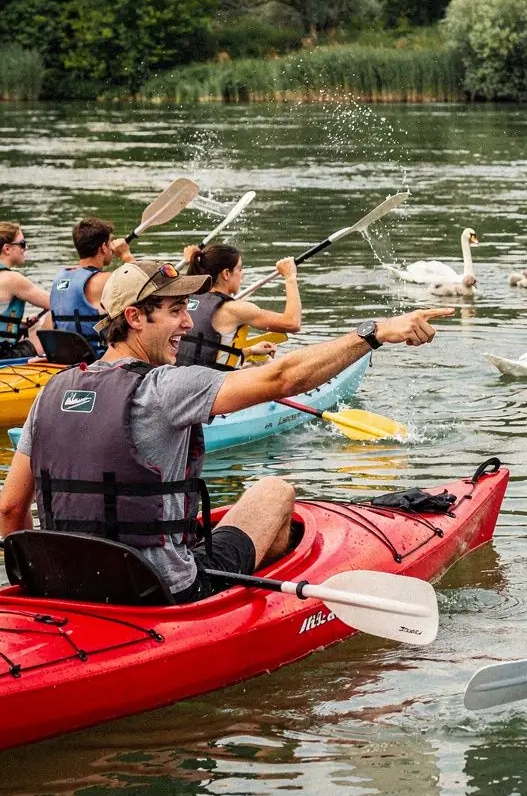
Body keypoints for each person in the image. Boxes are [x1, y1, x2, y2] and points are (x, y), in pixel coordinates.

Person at [0, 257, 452, 604]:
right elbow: (283, 378)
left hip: (61, 588)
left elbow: (10, 508)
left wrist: (42, 581)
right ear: (135, 317)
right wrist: (374, 333)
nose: (187, 322)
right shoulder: (164, 387)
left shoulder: (52, 390)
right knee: (274, 493)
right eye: (175, 310)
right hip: (158, 591)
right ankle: (253, 603)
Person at [178, 242, 301, 369]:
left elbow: (202, 353)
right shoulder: (233, 309)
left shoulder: (185, 298)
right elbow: (292, 323)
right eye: (239, 269)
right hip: (211, 381)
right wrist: (290, 277)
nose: (242, 274)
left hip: (178, 377)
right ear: (226, 274)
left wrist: (250, 350)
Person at [49, 217, 134, 357]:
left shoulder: (59, 278)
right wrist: (126, 254)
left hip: (63, 356)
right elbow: (144, 285)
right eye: (109, 243)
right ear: (103, 247)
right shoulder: (103, 280)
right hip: (94, 359)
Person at [0, 221, 50, 358]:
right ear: (7, 248)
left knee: (34, 326)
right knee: (54, 317)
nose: (25, 248)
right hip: (4, 355)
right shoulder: (12, 279)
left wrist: (21, 323)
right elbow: (57, 303)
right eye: (22, 244)